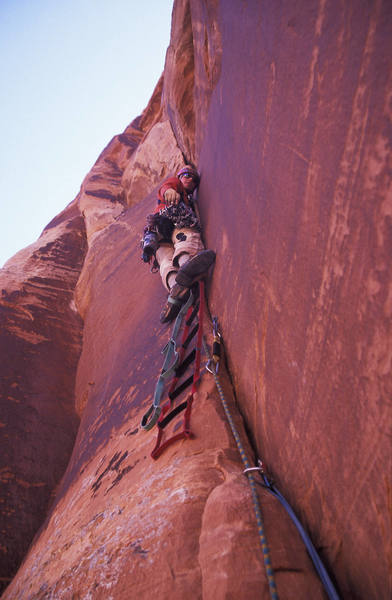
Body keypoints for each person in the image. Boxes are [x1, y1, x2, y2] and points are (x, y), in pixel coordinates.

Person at [141, 165, 215, 323]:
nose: (189, 178)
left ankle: (176, 288)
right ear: (180, 177)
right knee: (185, 236)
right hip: (174, 219)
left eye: (193, 178)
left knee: (164, 260)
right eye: (186, 175)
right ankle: (187, 263)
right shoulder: (176, 185)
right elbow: (166, 187)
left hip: (156, 231)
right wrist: (170, 191)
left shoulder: (187, 198)